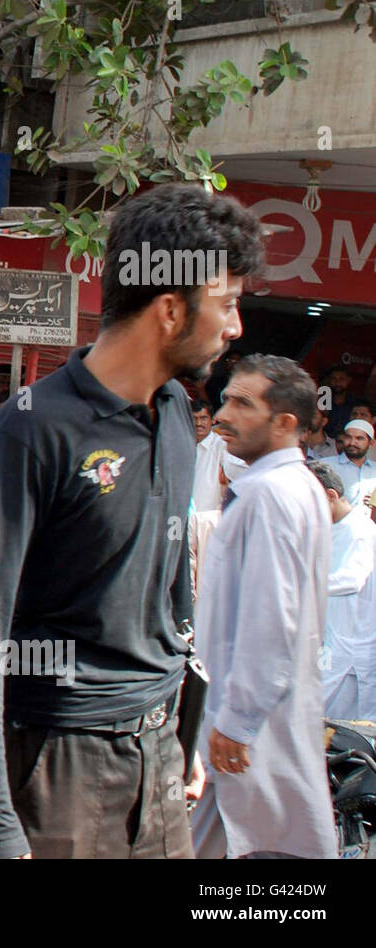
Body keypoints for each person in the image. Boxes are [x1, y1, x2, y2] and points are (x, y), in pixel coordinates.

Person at [0, 183, 259, 859]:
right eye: (228, 305)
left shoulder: (176, 413)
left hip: (159, 766)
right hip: (57, 768)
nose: (236, 328)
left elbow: (169, 591)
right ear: (171, 309)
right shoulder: (34, 428)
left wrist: (178, 737)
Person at [190, 356, 335, 859]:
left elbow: (273, 618)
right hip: (240, 719)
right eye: (226, 398)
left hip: (248, 725)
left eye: (242, 403)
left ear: (285, 423)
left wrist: (239, 721)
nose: (224, 413)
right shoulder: (282, 487)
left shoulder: (272, 494)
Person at [308, 461, 376, 721]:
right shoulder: (332, 528)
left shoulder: (359, 530)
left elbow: (351, 579)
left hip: (353, 647)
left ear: (330, 496)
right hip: (331, 642)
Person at [321, 418, 376, 509]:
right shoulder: (326, 466)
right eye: (348, 437)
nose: (352, 443)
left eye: (359, 438)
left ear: (371, 443)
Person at [191, 397, 227, 512]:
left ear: (213, 420)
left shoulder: (222, 446)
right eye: (194, 418)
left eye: (203, 418)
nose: (198, 423)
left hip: (210, 518)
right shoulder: (180, 446)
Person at [321, 364, 354, 439]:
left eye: (341, 379)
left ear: (348, 380)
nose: (337, 382)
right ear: (328, 380)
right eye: (333, 379)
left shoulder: (355, 404)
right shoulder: (322, 402)